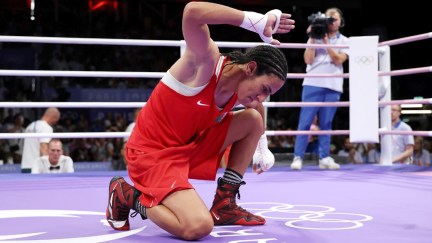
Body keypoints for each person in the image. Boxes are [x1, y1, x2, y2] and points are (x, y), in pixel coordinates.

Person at [106, 2, 295, 241]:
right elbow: (192, 12)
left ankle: (224, 204)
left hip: (187, 148)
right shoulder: (205, 62)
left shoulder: (243, 89)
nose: (261, 97)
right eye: (264, 89)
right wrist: (254, 21)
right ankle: (127, 195)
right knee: (198, 227)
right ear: (250, 67)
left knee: (253, 119)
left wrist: (262, 145)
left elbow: (256, 107)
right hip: (152, 155)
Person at [290, 7, 348, 170]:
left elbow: (338, 60)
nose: (332, 21)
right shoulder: (314, 36)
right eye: (329, 18)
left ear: (340, 22)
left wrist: (326, 42)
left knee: (326, 123)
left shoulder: (345, 40)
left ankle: (324, 157)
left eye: (335, 18)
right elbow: (308, 60)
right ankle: (298, 157)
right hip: (312, 83)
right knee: (305, 122)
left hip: (333, 85)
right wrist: (314, 38)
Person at [21, 107, 61, 173]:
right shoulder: (46, 128)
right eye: (57, 121)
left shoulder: (30, 126)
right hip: (37, 168)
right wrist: (47, 168)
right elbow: (43, 148)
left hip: (25, 166)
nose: (55, 123)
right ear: (54, 118)